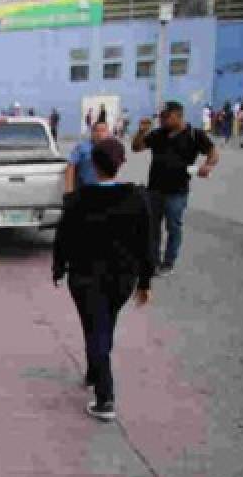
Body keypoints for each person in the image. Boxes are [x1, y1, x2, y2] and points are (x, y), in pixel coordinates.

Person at [53, 138, 155, 422]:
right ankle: (93, 371)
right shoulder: (137, 198)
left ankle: (105, 397)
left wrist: (58, 268)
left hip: (85, 277)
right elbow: (147, 243)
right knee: (103, 323)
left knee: (95, 327)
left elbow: (64, 238)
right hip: (122, 279)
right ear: (121, 163)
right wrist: (145, 282)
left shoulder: (78, 200)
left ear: (92, 164)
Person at [131, 101, 220, 275]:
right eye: (161, 117)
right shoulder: (158, 134)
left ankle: (169, 262)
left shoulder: (195, 134)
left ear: (178, 116)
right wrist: (141, 131)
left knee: (174, 227)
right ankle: (153, 261)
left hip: (177, 192)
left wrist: (208, 166)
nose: (162, 120)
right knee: (152, 227)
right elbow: (136, 148)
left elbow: (213, 152)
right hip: (154, 190)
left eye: (166, 117)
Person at [65, 120, 112, 192]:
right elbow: (70, 166)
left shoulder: (112, 148)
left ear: (108, 133)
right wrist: (69, 190)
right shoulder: (82, 147)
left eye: (103, 131)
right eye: (96, 131)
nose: (99, 133)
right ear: (92, 133)